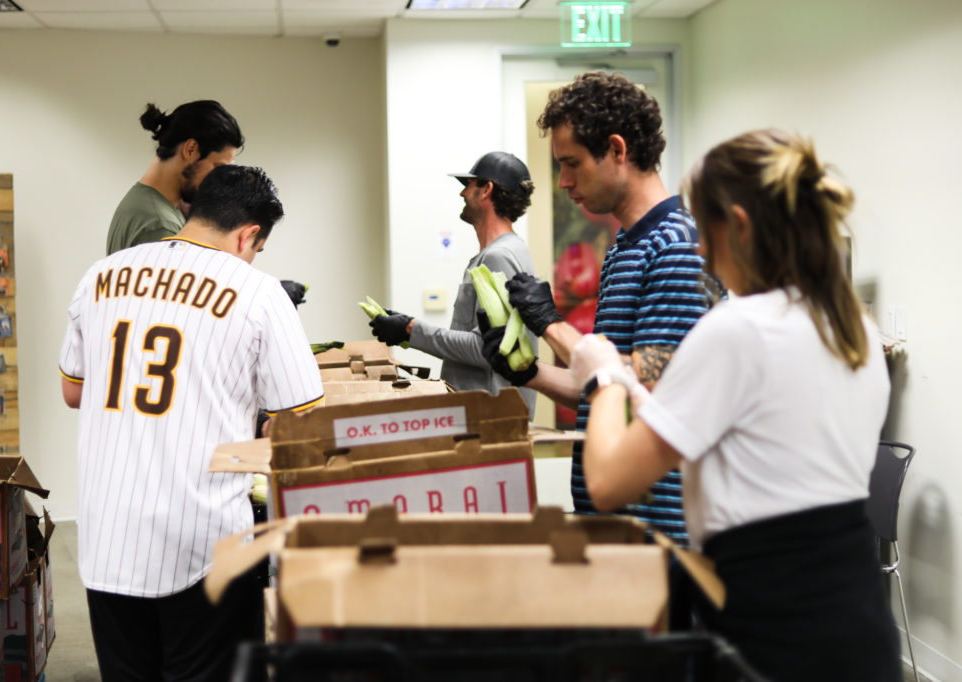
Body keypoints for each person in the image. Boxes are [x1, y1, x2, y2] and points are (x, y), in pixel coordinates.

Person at [570, 129, 900, 681]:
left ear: (739, 226)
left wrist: (603, 376)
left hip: (775, 627)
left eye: (706, 231)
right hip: (856, 617)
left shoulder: (738, 329)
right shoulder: (853, 329)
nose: (699, 249)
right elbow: (760, 443)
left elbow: (608, 483)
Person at [60, 165, 324, 681]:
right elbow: (301, 425)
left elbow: (74, 390)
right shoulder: (259, 292)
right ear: (250, 234)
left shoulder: (101, 275)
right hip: (203, 544)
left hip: (107, 535)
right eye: (257, 248)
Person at [482, 72, 708, 544]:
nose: (563, 182)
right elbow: (603, 391)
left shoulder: (676, 245)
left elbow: (650, 385)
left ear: (618, 151)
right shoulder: (625, 246)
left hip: (658, 530)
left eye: (572, 164)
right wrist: (526, 374)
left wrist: (550, 325)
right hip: (612, 523)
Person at [370, 152, 539, 416]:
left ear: (486, 190)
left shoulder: (498, 257)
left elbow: (488, 350)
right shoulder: (509, 251)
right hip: (489, 414)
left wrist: (410, 329)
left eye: (467, 186)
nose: (462, 194)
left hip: (488, 418)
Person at [106, 99, 243, 255]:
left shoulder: (142, 201)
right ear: (190, 150)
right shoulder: (160, 225)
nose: (217, 180)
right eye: (217, 168)